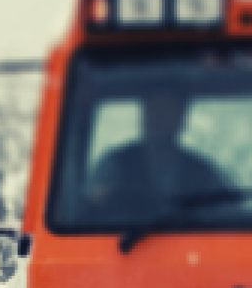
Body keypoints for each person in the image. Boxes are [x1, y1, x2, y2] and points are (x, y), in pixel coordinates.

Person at [85, 90, 228, 219]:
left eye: (167, 111)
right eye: (153, 110)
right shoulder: (114, 165)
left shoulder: (203, 172)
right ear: (142, 115)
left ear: (181, 119)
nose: (158, 119)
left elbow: (225, 212)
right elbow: (92, 206)